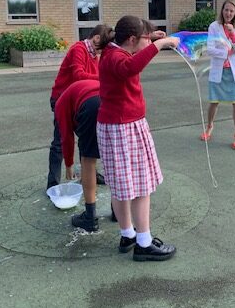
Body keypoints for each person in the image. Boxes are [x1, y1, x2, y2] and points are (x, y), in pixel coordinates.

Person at [96, 15, 180, 261]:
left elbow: (131, 56)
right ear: (132, 40)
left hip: (115, 126)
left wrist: (151, 38)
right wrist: (159, 45)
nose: (149, 40)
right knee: (141, 186)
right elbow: (131, 67)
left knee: (121, 187)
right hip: (125, 128)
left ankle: (128, 234)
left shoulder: (113, 51)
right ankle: (143, 242)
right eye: (144, 36)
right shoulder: (117, 58)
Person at [47, 25, 111, 190]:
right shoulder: (79, 49)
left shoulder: (95, 55)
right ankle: (52, 184)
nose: (101, 52)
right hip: (63, 100)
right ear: (96, 38)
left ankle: (89, 173)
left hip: (81, 101)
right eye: (101, 46)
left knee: (88, 137)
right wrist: (104, 77)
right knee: (60, 139)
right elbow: (79, 76)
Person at [55, 79, 102, 232]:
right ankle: (118, 212)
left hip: (91, 105)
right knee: (112, 157)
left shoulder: (60, 104)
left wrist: (69, 165)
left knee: (88, 160)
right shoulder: (76, 90)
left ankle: (90, 217)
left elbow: (66, 136)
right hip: (112, 99)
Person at [200, 0, 235, 150]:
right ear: (222, 11)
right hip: (219, 70)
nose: (228, 13)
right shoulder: (214, 26)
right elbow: (210, 49)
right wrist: (226, 52)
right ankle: (209, 127)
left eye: (231, 11)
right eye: (226, 10)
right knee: (214, 101)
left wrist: (233, 34)